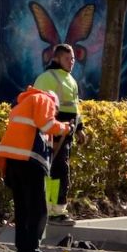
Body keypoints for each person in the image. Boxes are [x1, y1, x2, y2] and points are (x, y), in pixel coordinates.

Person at [0, 85, 71, 252]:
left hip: (12, 162)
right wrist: (65, 128)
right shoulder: (44, 99)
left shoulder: (23, 103)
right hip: (28, 161)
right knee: (38, 210)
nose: (54, 113)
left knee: (23, 211)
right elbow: (46, 124)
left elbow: (37, 131)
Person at [33, 43, 85, 224]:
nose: (71, 62)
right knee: (58, 170)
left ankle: (52, 209)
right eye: (67, 59)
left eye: (73, 59)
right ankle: (55, 211)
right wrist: (53, 132)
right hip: (53, 133)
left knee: (57, 171)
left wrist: (80, 128)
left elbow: (74, 107)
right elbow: (40, 107)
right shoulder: (47, 78)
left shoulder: (70, 80)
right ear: (56, 58)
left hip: (66, 133)